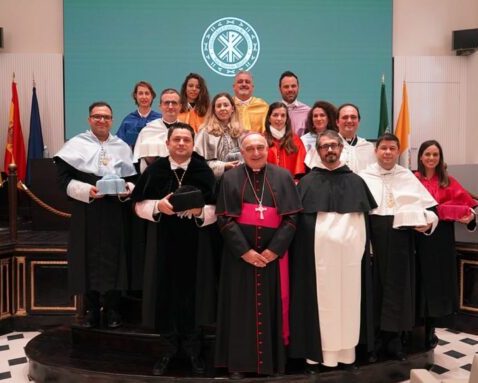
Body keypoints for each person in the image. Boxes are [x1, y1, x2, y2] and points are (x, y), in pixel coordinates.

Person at [132, 122, 217, 376]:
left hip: (197, 246)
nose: (181, 144)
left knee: (195, 297)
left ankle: (194, 351)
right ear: (167, 143)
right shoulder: (155, 170)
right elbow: (138, 205)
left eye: (186, 140)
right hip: (162, 245)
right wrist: (158, 207)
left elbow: (218, 207)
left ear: (193, 144)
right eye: (176, 140)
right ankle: (168, 351)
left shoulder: (203, 170)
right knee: (165, 297)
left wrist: (201, 211)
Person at [215, 133, 302, 379]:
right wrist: (246, 252)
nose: (256, 153)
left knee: (273, 308)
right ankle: (239, 365)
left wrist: (274, 251)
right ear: (242, 152)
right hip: (239, 259)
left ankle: (273, 364)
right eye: (250, 148)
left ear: (268, 150)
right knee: (239, 311)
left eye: (260, 148)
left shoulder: (283, 176)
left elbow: (292, 217)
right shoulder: (230, 178)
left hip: (274, 258)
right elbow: (224, 218)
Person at [289, 130, 377, 373]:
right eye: (325, 146)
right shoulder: (306, 182)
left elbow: (364, 223)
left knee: (348, 304)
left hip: (349, 259)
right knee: (319, 306)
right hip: (317, 260)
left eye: (334, 146)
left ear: (341, 149)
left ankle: (347, 356)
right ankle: (315, 358)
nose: (330, 150)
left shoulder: (356, 182)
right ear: (317, 151)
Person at [54, 101, 136, 329]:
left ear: (112, 120)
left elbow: (134, 180)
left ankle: (112, 309)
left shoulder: (122, 146)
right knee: (86, 258)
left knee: (115, 259)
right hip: (86, 209)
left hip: (114, 211)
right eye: (97, 116)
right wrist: (86, 191)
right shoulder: (75, 144)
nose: (102, 120)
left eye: (106, 117)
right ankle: (90, 310)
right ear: (89, 119)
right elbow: (62, 180)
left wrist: (126, 190)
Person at [359, 133, 439, 361]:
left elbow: (432, 210)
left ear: (398, 151)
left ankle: (394, 341)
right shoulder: (363, 176)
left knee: (398, 290)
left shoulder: (407, 176)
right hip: (372, 238)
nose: (387, 152)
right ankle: (371, 343)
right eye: (383, 148)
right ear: (376, 151)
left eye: (392, 148)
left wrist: (428, 224)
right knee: (372, 290)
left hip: (400, 241)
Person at [414, 140, 478, 348]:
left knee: (438, 284)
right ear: (420, 157)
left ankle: (431, 329)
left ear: (440, 158)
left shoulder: (448, 181)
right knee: (418, 281)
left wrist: (469, 218)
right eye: (427, 154)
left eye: (435, 155)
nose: (431, 158)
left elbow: (469, 208)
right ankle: (416, 328)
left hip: (441, 240)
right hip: (417, 238)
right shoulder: (412, 179)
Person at [194, 92, 244, 179]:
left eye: (226, 105)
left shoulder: (240, 131)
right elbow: (197, 162)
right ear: (214, 110)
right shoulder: (205, 132)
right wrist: (224, 166)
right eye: (218, 106)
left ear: (232, 109)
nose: (222, 108)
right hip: (214, 183)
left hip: (239, 179)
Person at [133, 88, 181, 172]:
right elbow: (138, 162)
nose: (170, 106)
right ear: (160, 106)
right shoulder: (146, 131)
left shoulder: (187, 131)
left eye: (174, 103)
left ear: (180, 106)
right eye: (166, 103)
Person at [264, 102, 306, 181]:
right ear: (269, 118)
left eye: (283, 115)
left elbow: (300, 170)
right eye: (275, 115)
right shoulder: (261, 139)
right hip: (267, 185)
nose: (279, 118)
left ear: (287, 119)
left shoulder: (296, 140)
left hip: (290, 185)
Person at [116, 81, 162, 148]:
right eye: (140, 93)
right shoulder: (128, 121)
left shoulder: (159, 119)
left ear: (152, 96)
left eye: (147, 93)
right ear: (135, 96)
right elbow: (119, 143)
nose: (144, 97)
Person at [278, 71, 310, 137]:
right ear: (279, 89)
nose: (290, 89)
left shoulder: (308, 112)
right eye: (286, 87)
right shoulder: (272, 112)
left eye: (293, 86)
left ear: (298, 87)